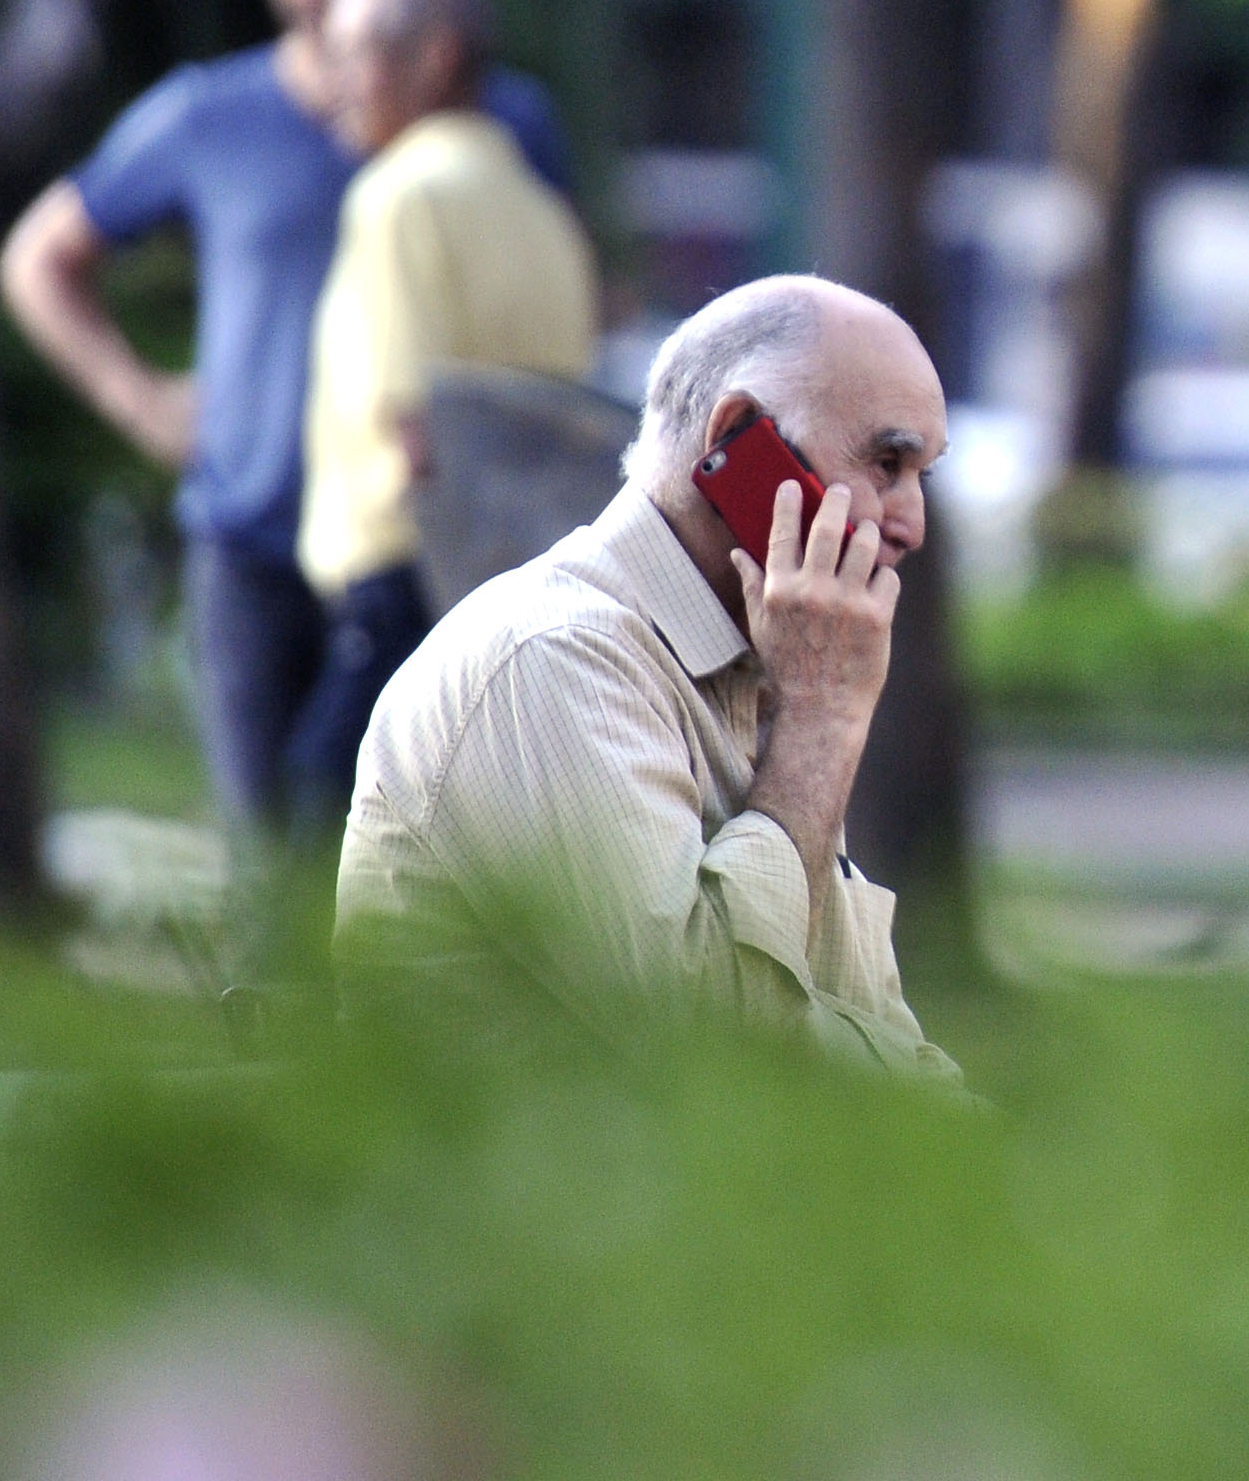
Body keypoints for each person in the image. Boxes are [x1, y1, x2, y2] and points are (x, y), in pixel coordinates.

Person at [0, 0, 573, 855]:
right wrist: (140, 398)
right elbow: (42, 253)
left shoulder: (489, 124)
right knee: (276, 862)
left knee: (421, 864)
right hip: (256, 537)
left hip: (428, 557)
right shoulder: (206, 115)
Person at [333, 276, 957, 1077]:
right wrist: (824, 722)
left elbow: (863, 1025)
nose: (910, 523)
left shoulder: (760, 665)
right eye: (885, 462)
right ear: (737, 434)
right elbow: (713, 1054)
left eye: (921, 476)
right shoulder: (552, 656)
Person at [285, 0, 600, 815]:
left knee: (322, 805)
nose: (334, 79)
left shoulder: (398, 197)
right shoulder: (545, 213)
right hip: (516, 588)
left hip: (404, 578)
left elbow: (414, 427)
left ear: (434, 58)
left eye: (353, 52)